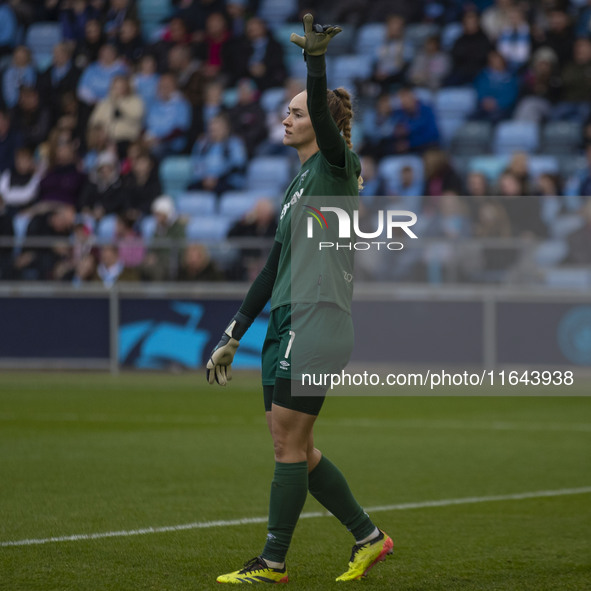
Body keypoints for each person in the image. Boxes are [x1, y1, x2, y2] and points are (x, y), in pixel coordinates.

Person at [208, 15, 393, 585]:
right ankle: (369, 537)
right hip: (286, 321)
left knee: (288, 444)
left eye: (293, 111)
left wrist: (315, 63)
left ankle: (272, 562)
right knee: (296, 445)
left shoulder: (339, 169)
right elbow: (271, 269)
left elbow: (319, 103)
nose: (284, 119)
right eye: (286, 111)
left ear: (316, 120)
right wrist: (233, 333)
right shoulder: (295, 186)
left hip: (317, 319)